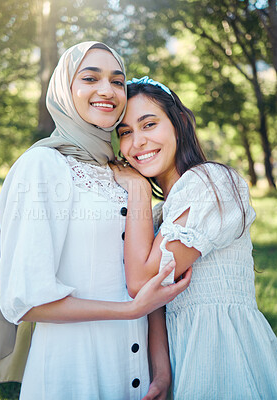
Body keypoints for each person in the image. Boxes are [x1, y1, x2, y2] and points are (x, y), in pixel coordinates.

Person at [0, 46, 192, 400]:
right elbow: (25, 299)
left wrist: (160, 373)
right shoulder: (43, 166)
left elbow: (146, 275)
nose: (106, 90)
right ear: (65, 88)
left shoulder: (125, 172)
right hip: (75, 369)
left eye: (117, 80)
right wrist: (131, 310)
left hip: (138, 372)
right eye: (90, 78)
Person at [111, 76, 277, 399]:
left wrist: (136, 189)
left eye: (149, 124)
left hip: (223, 353)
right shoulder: (160, 215)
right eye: (126, 132)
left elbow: (141, 281)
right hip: (180, 356)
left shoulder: (212, 183)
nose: (138, 141)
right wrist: (161, 375)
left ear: (180, 122)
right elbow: (154, 304)